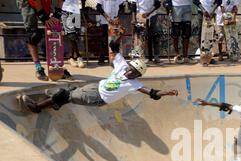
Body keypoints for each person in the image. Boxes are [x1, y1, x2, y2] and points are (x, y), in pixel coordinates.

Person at [19, 40, 178, 113]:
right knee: (72, 90)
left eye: (134, 73)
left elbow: (153, 93)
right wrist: (119, 35)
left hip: (98, 97)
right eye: (131, 69)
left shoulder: (134, 84)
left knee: (64, 94)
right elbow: (114, 47)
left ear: (137, 75)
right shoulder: (122, 65)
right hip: (95, 87)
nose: (130, 72)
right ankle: (56, 103)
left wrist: (167, 92)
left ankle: (37, 107)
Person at [16, 0, 72, 80]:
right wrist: (44, 17)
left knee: (54, 28)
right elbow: (36, 2)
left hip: (45, 1)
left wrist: (57, 13)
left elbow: (61, 2)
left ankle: (57, 64)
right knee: (33, 35)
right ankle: (38, 67)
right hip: (28, 2)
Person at [129, 0, 163, 64]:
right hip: (141, 15)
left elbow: (157, 4)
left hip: (153, 15)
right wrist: (133, 18)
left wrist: (149, 13)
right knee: (140, 37)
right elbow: (133, 5)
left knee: (156, 36)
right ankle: (139, 57)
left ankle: (156, 56)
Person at [95, 0, 126, 65]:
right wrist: (106, 17)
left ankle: (116, 59)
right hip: (105, 21)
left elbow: (122, 6)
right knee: (104, 40)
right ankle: (101, 58)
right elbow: (98, 7)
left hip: (115, 22)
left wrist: (118, 16)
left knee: (116, 40)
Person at [62, 0, 86, 68]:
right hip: (66, 10)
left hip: (76, 11)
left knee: (76, 35)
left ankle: (71, 57)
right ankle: (78, 57)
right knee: (71, 35)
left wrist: (82, 9)